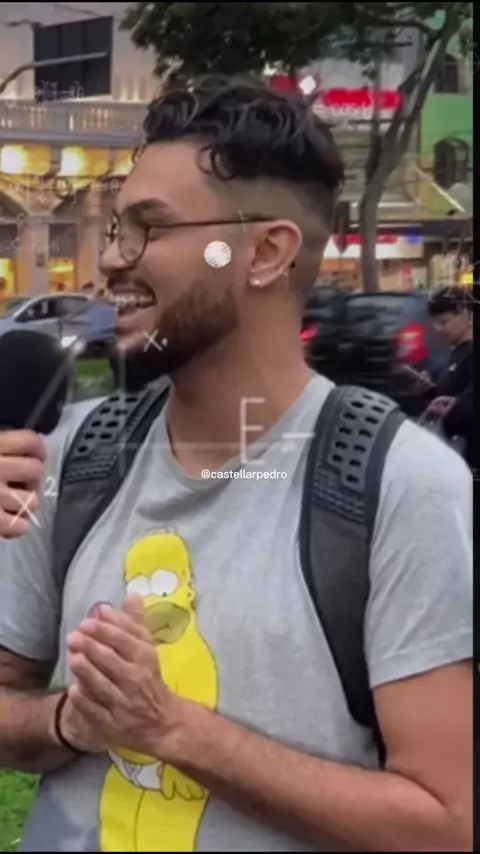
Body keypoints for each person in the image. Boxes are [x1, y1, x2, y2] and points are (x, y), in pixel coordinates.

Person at [0, 79, 472, 852]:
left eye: (150, 228)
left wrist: (172, 729)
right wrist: (67, 720)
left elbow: (444, 825)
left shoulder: (401, 485)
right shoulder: (72, 455)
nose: (113, 258)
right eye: (118, 228)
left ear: (265, 252)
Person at [412, 286, 473, 467]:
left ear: (469, 316)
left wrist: (455, 408)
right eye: (435, 323)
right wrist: (430, 389)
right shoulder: (456, 353)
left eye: (444, 322)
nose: (438, 329)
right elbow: (452, 390)